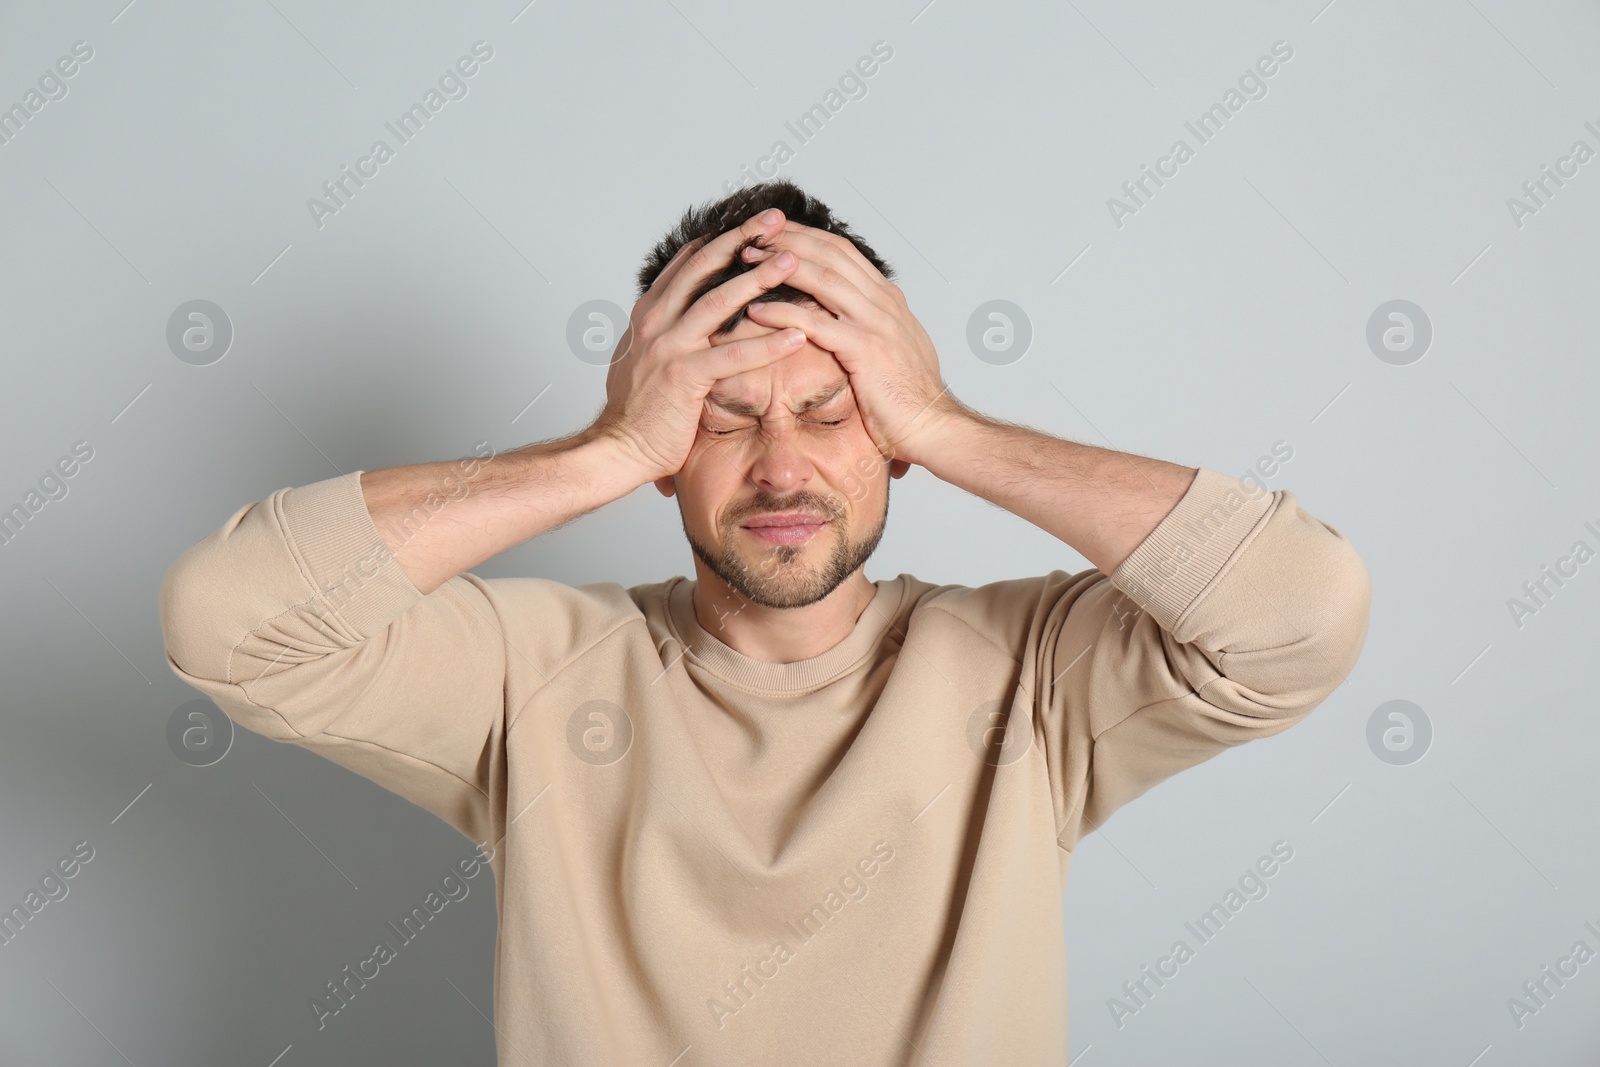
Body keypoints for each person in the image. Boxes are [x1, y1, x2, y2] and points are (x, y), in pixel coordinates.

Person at [158, 179, 1372, 1065]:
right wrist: (605, 447)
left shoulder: (1034, 672)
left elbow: (1300, 611)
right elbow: (228, 617)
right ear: (667, 454)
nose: (782, 466)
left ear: (890, 439)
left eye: (833, 411)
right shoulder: (532, 675)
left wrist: (950, 425)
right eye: (724, 417)